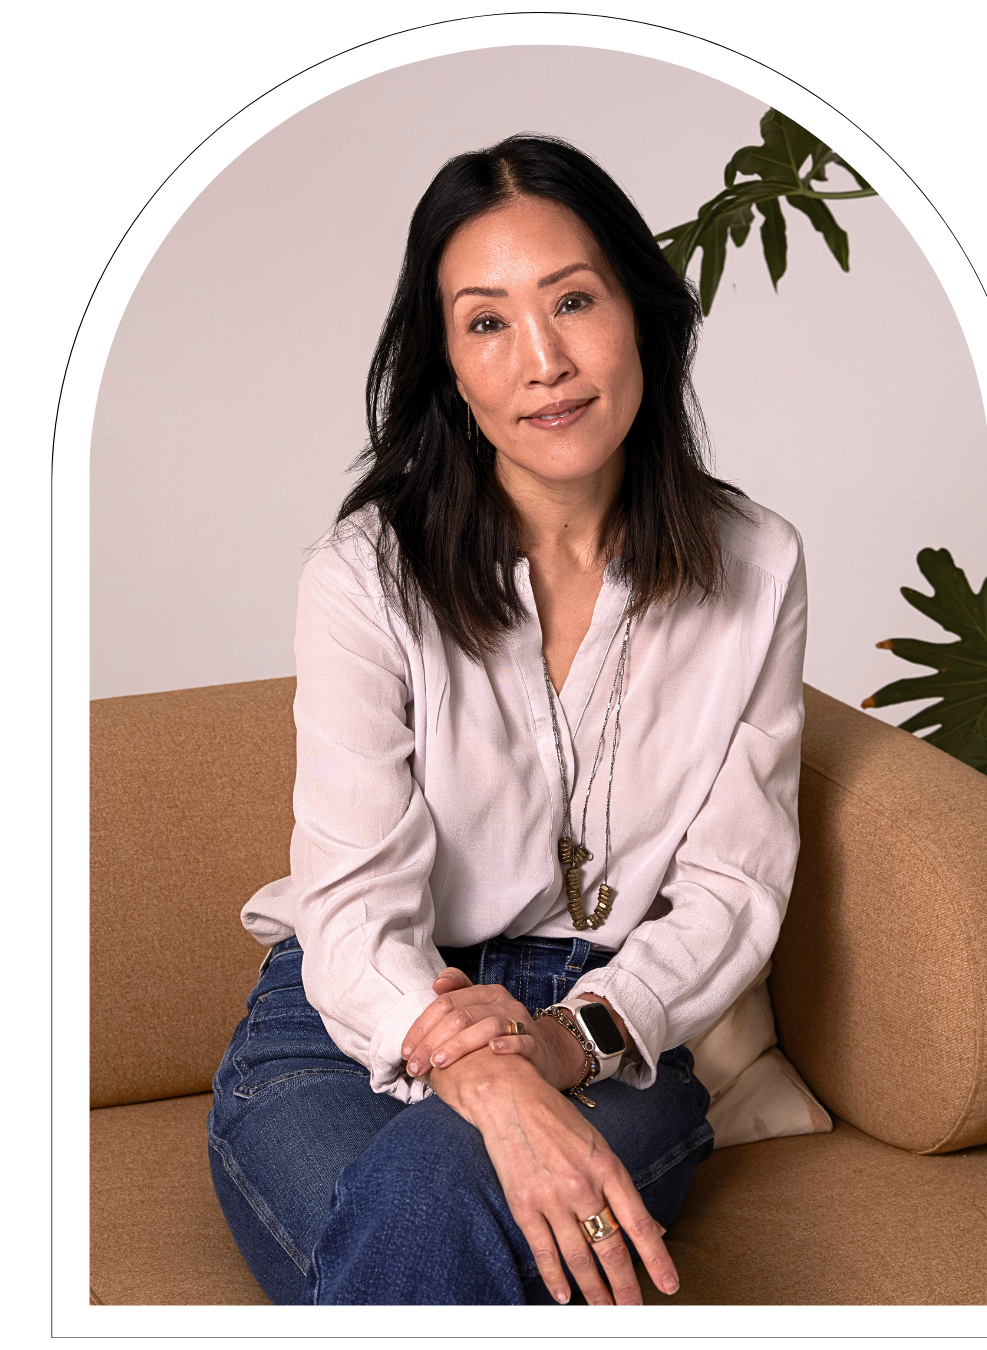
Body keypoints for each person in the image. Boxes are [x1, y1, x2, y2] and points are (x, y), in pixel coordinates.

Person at [207, 133, 807, 1308]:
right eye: (487, 322)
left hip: (607, 1020)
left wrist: (567, 1041)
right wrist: (479, 1061)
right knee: (434, 1208)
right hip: (353, 1014)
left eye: (573, 301)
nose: (544, 361)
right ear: (448, 367)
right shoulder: (362, 580)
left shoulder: (757, 563)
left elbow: (737, 885)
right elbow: (351, 905)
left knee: (432, 1202)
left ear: (640, 312)